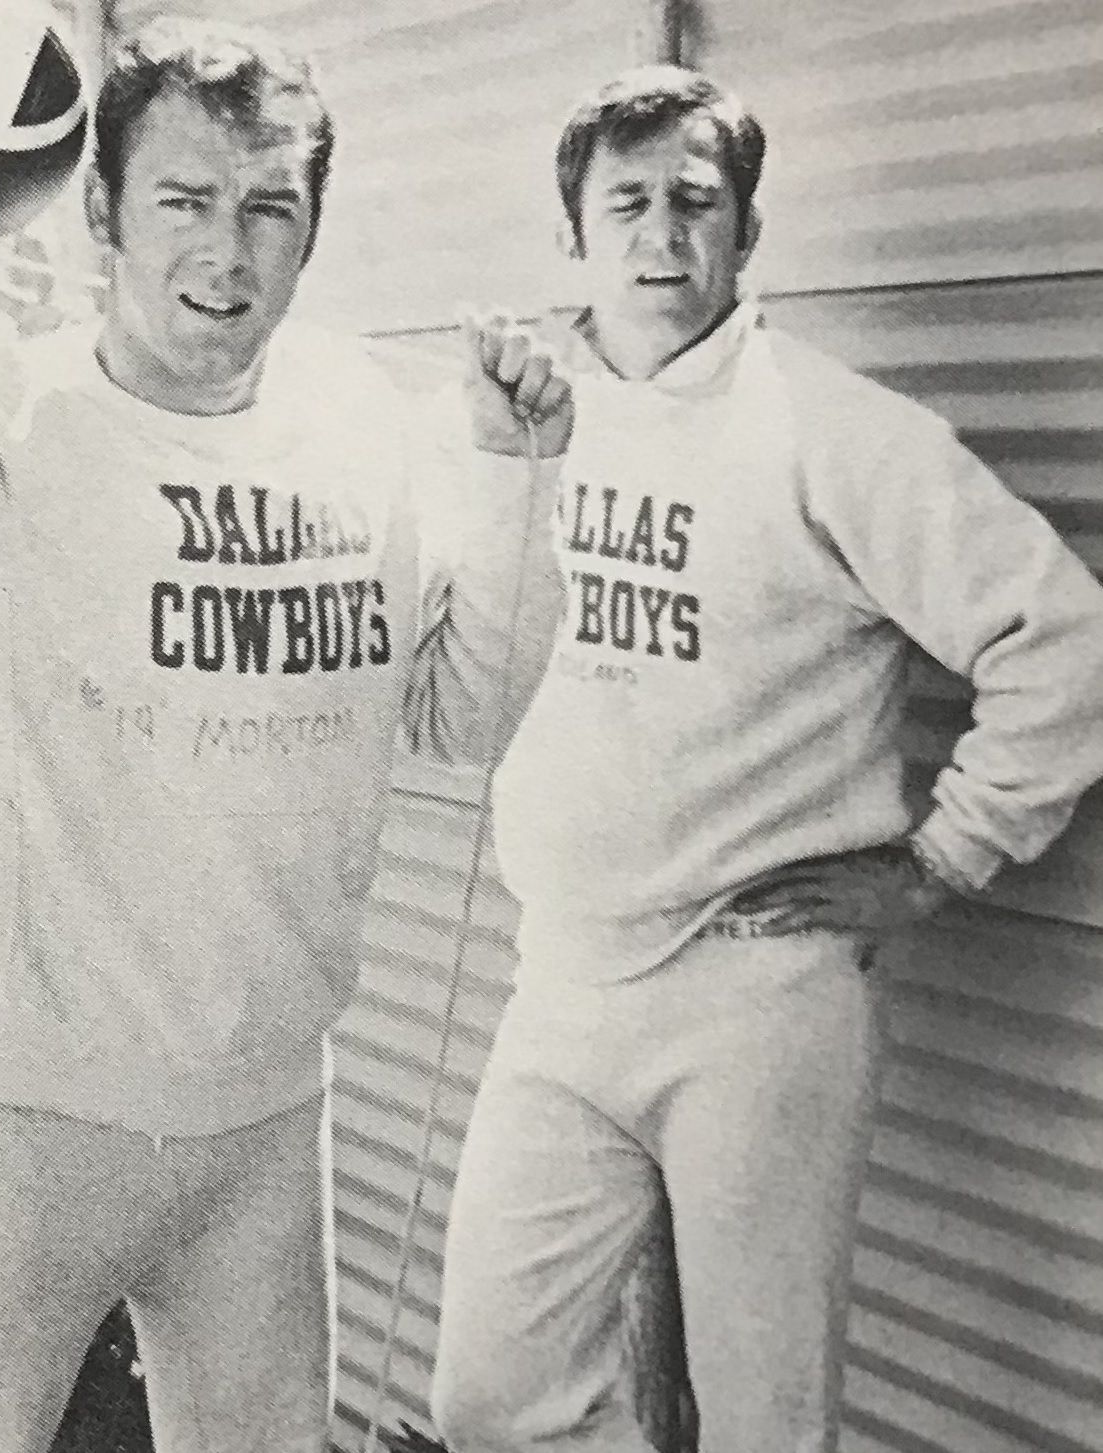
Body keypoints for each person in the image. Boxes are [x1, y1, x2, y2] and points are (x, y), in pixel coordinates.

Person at [0, 14, 567, 1453]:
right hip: (22, 1112)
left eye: (272, 208)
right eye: (185, 202)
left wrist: (525, 485)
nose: (228, 254)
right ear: (100, 212)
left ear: (315, 225)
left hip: (267, 1114)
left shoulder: (362, 420)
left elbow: (465, 712)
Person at [429, 65, 1103, 1453]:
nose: (663, 238)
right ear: (574, 232)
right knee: (492, 1402)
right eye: (628, 202)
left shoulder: (831, 430)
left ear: (747, 232)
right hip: (560, 978)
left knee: (764, 1423)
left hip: (759, 997)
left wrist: (944, 855)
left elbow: (1064, 636)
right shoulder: (521, 418)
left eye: (698, 202)